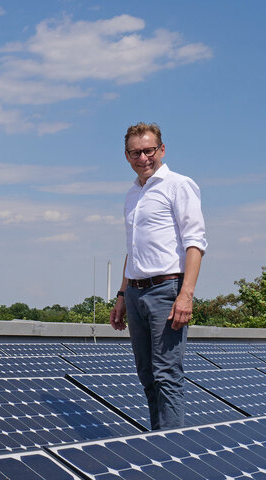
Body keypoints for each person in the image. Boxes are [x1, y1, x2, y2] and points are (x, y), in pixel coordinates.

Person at [110, 122, 207, 430]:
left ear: (161, 150)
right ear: (127, 156)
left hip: (166, 290)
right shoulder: (131, 195)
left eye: (149, 150)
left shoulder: (179, 185)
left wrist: (185, 294)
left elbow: (196, 243)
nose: (143, 158)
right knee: (147, 375)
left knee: (167, 375)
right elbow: (133, 249)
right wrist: (122, 295)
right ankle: (157, 441)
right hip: (136, 293)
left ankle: (172, 451)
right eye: (136, 152)